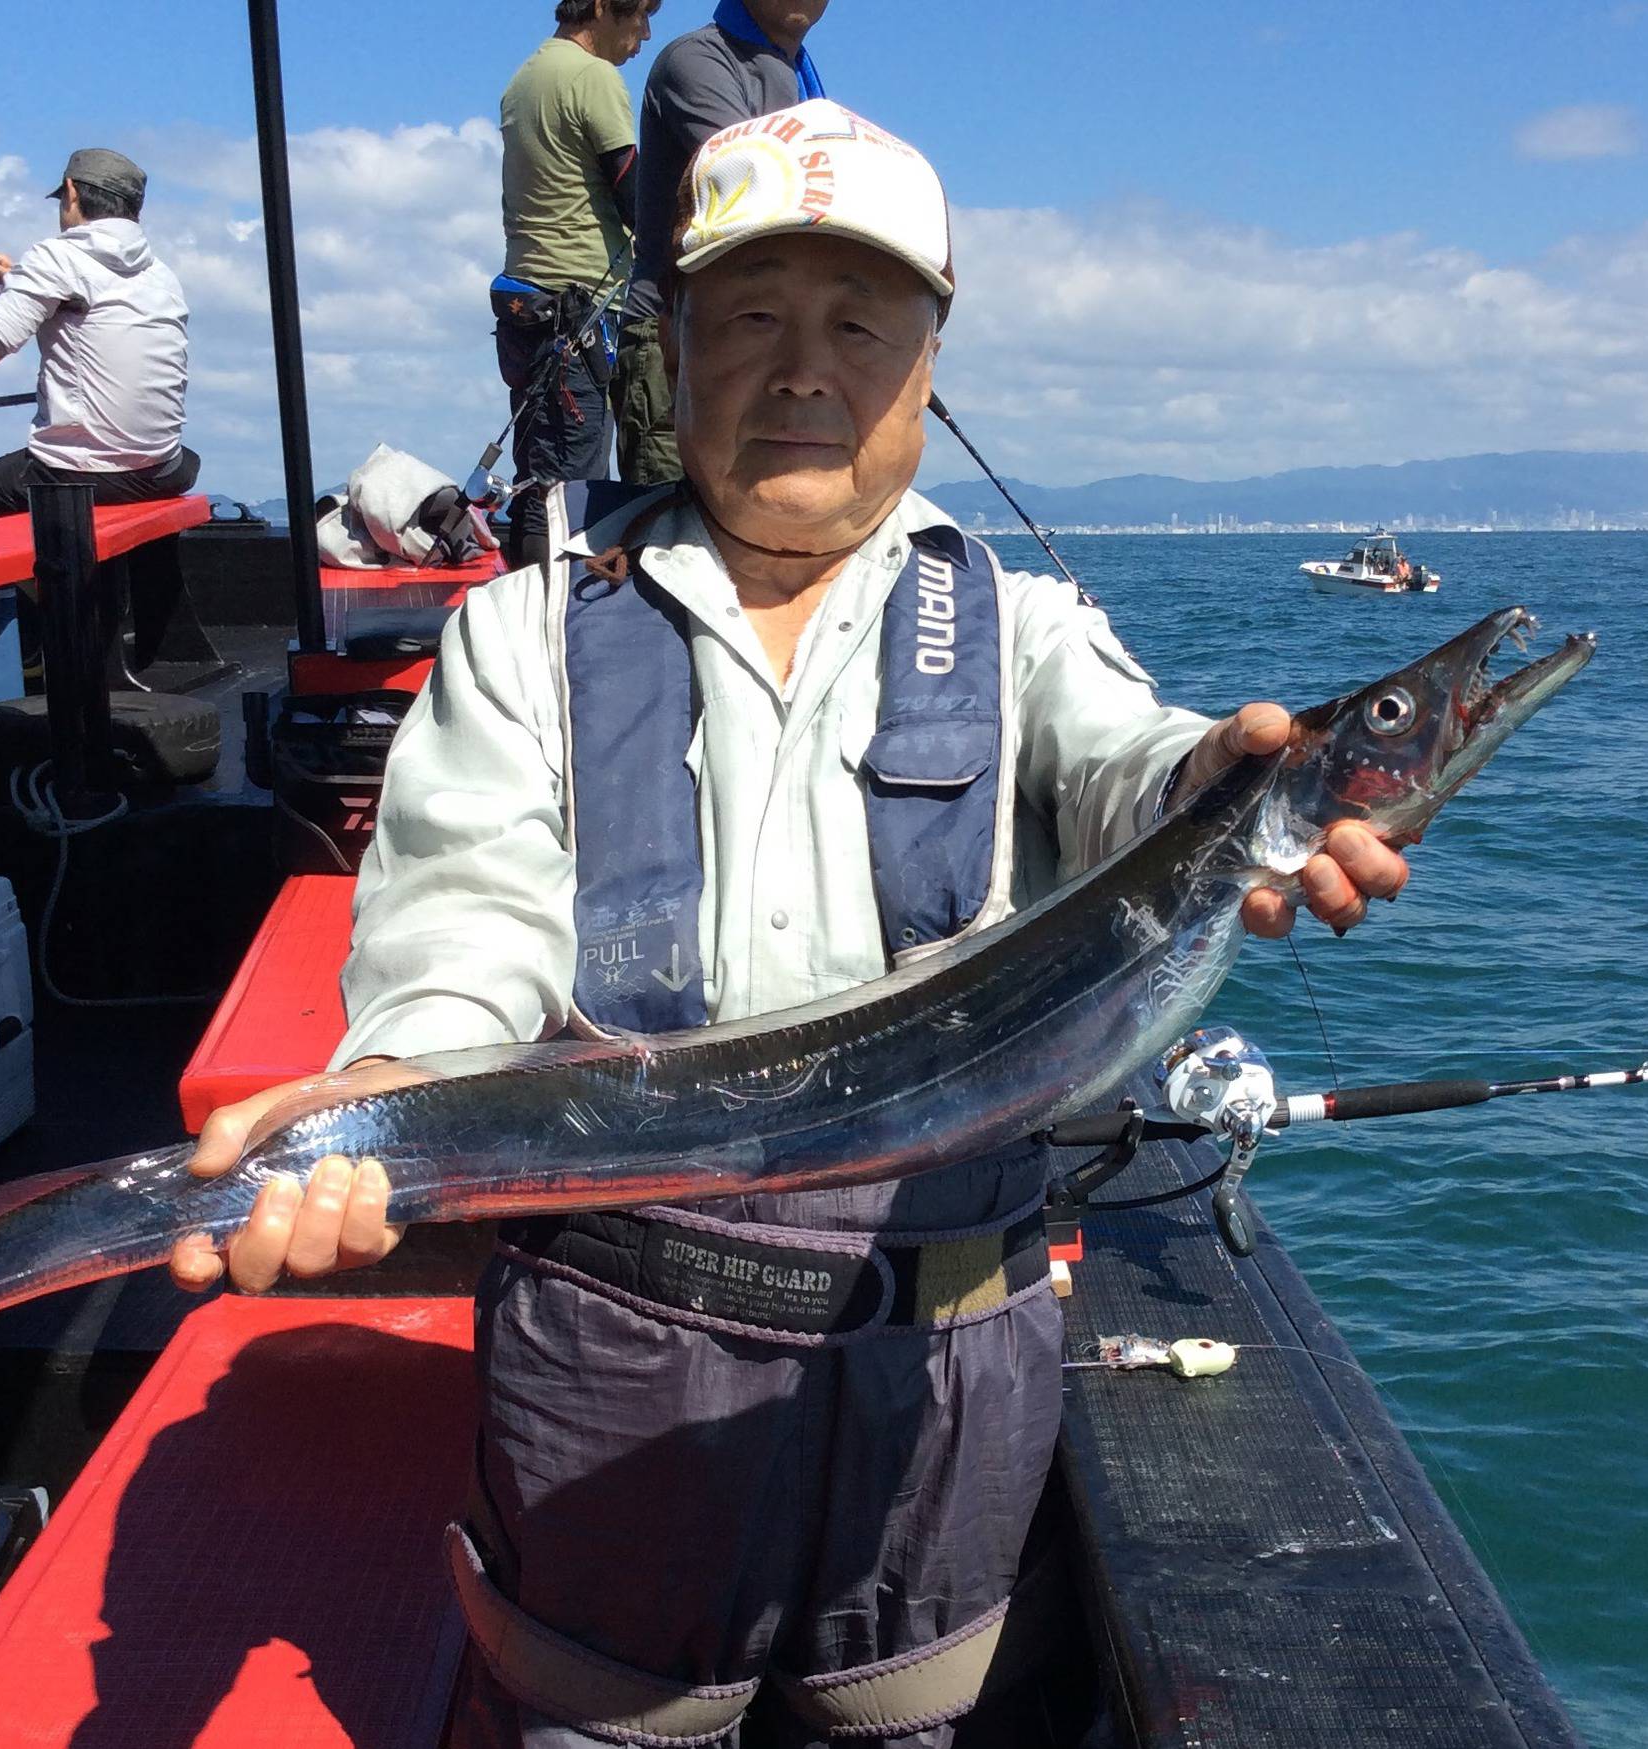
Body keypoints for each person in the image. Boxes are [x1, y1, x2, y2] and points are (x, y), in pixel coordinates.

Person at [171, 101, 1411, 1748]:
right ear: (670, 349)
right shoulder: (530, 632)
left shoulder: (1024, 625)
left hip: (945, 1374)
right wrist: (388, 1089)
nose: (801, 368)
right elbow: (460, 925)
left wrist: (1221, 773)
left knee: (909, 1714)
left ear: (928, 356)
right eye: (747, 318)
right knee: (597, 1714)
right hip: (605, 1359)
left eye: (856, 324)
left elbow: (1129, 763)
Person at [0, 148, 197, 533]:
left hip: (81, 470)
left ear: (71, 191)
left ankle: (47, 589)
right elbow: (83, 301)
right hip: (162, 467)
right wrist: (12, 281)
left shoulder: (58, 255)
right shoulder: (158, 272)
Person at [614, 0, 828, 486]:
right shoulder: (696, 61)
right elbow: (756, 183)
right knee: (668, 535)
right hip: (674, 340)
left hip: (766, 339)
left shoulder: (797, 80)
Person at [494, 0, 660, 567]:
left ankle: (523, 613)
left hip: (529, 302)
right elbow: (633, 191)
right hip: (579, 305)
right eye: (638, 16)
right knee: (572, 489)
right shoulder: (593, 76)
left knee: (538, 477)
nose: (644, 35)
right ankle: (556, 622)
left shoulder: (526, 77)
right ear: (600, 8)